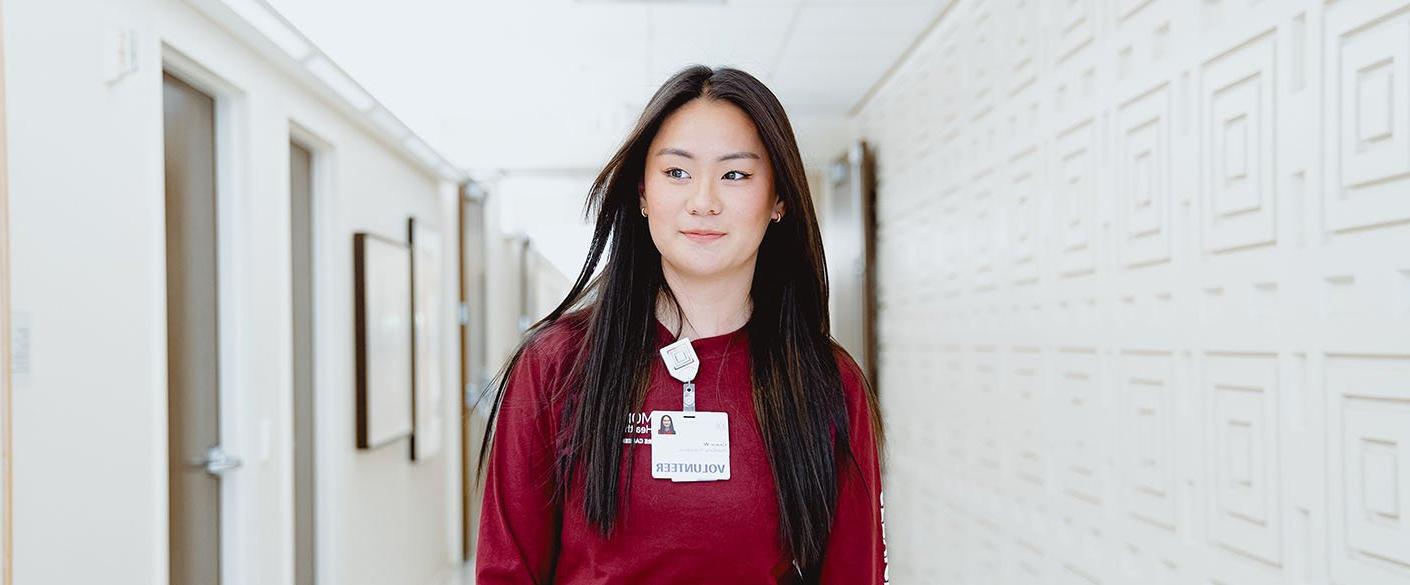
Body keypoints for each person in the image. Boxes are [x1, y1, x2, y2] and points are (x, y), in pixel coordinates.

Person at [474, 65, 887, 584]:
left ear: (778, 199)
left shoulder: (828, 382)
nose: (703, 201)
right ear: (643, 194)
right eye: (677, 173)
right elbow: (507, 572)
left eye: (735, 174)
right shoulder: (555, 364)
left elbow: (854, 573)